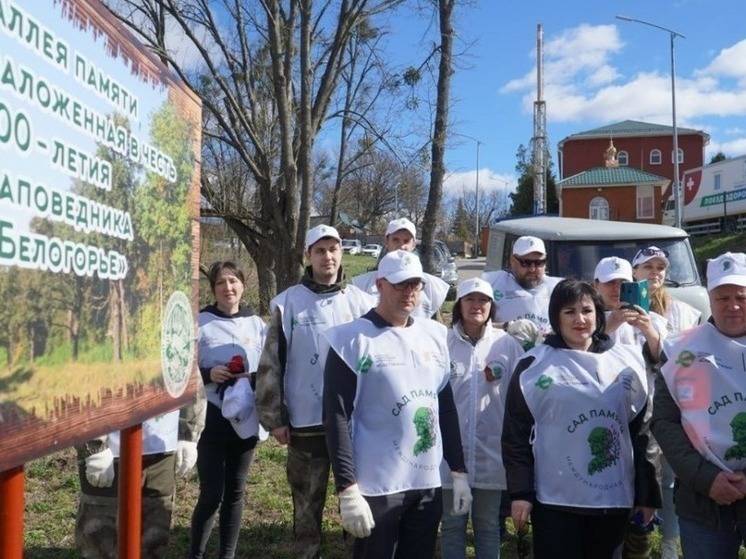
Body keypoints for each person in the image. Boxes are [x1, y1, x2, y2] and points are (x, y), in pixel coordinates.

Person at [323, 250, 472, 558]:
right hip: (378, 484)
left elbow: (444, 406)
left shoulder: (433, 335)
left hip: (426, 480)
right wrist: (347, 487)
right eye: (400, 284)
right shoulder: (351, 340)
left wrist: (458, 470)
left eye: (415, 285)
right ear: (380, 284)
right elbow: (335, 417)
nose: (409, 292)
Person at [502, 279, 661, 559]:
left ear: (599, 315)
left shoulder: (626, 361)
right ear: (555, 317)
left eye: (587, 310)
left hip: (613, 501)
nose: (580, 319)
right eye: (569, 312)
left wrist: (647, 495)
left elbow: (643, 432)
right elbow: (516, 435)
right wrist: (521, 493)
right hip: (554, 502)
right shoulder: (533, 365)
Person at [255, 224, 375, 559]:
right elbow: (270, 365)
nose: (328, 257)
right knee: (307, 508)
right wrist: (273, 417)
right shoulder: (287, 303)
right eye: (320, 250)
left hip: (354, 424)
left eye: (333, 249)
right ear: (308, 255)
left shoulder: (362, 303)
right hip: (306, 424)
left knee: (358, 502)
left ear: (341, 254)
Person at [652, 252, 746, 559]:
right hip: (702, 501)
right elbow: (665, 423)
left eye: (740, 296)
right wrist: (707, 479)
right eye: (722, 297)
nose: (732, 306)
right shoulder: (681, 350)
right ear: (709, 296)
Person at [440, 277, 524, 559]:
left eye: (484, 300)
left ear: (492, 305)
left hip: (491, 453)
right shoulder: (443, 342)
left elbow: (518, 397)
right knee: (452, 525)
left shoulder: (506, 345)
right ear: (458, 304)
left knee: (488, 526)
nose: (477, 306)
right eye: (470, 299)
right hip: (451, 453)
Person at [188, 261, 267, 559]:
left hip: (246, 417)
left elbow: (269, 369)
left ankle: (227, 555)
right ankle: (195, 554)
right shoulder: (199, 322)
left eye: (233, 281)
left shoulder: (257, 325)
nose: (228, 288)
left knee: (236, 491)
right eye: (221, 283)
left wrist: (253, 378)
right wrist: (209, 374)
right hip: (210, 416)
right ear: (213, 290)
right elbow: (182, 368)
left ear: (243, 285)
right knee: (211, 493)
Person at [631, 246, 701, 559]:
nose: (655, 273)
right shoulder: (625, 308)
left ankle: (671, 544)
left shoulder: (685, 312)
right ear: (635, 273)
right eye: (647, 267)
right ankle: (636, 538)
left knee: (672, 478)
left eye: (660, 267)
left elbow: (692, 359)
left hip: (675, 406)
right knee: (638, 475)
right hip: (635, 405)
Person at [76, 394, 205, 558]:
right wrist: (92, 445)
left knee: (153, 538)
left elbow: (188, 373)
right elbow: (81, 380)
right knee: (102, 539)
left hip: (161, 451)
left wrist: (188, 433)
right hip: (110, 452)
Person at [351, 217, 449, 318]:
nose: (401, 246)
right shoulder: (363, 285)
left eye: (406, 241)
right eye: (396, 240)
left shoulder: (431, 288)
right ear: (386, 241)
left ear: (414, 244)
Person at [481, 236, 562, 336]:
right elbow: (472, 324)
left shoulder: (559, 287)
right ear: (512, 261)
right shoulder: (492, 283)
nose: (532, 269)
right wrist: (506, 326)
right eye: (526, 263)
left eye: (538, 263)